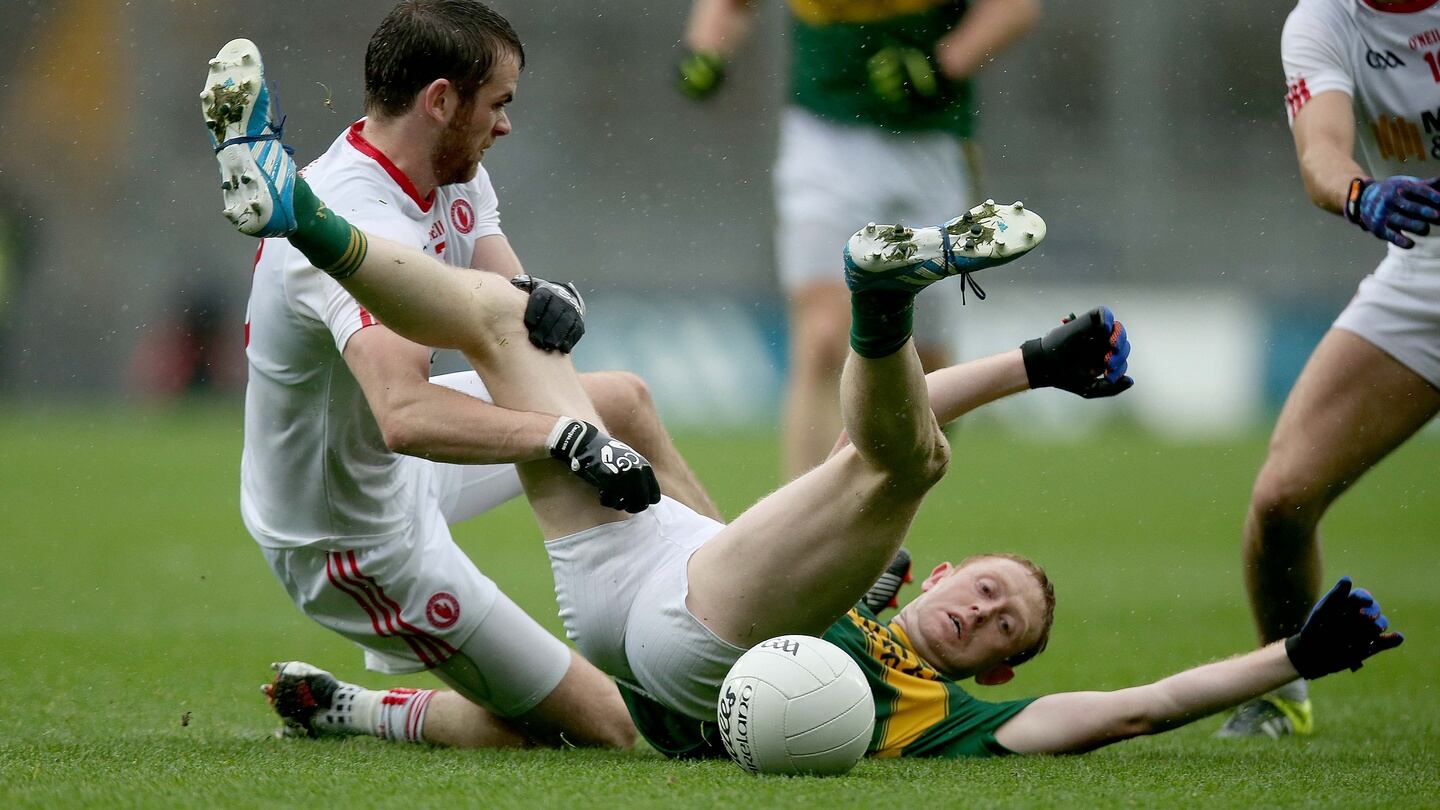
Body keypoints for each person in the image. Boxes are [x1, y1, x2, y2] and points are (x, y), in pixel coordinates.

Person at [203, 38, 1404, 760]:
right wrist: (1036, 366)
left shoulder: (939, 712)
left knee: (903, 463)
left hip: (690, 645)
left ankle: (879, 309)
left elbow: (1128, 708)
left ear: (993, 673)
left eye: (1004, 635)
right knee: (560, 353)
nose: (986, 618)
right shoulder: (869, 587)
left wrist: (1289, 656)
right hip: (651, 571)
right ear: (939, 574)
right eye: (991, 592)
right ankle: (298, 211)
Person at [204, 1, 723, 751]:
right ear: (441, 101)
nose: (506, 125)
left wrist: (549, 299)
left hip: (393, 469)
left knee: (625, 401)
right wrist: (566, 439)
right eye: (498, 104)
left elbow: (512, 315)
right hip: (350, 533)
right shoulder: (362, 213)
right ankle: (353, 708)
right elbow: (405, 417)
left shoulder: (452, 172)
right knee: (604, 728)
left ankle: (734, 600)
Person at [677, 0, 1041, 480]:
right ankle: (807, 531)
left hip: (932, 144)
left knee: (925, 370)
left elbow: (1014, 8)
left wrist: (941, 63)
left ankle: (887, 503)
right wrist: (707, 51)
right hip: (824, 139)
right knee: (824, 338)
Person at [1216, 0, 1440, 739]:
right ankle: (1279, 689)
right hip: (1426, 274)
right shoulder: (1322, 20)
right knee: (1282, 499)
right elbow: (1322, 153)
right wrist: (1360, 191)